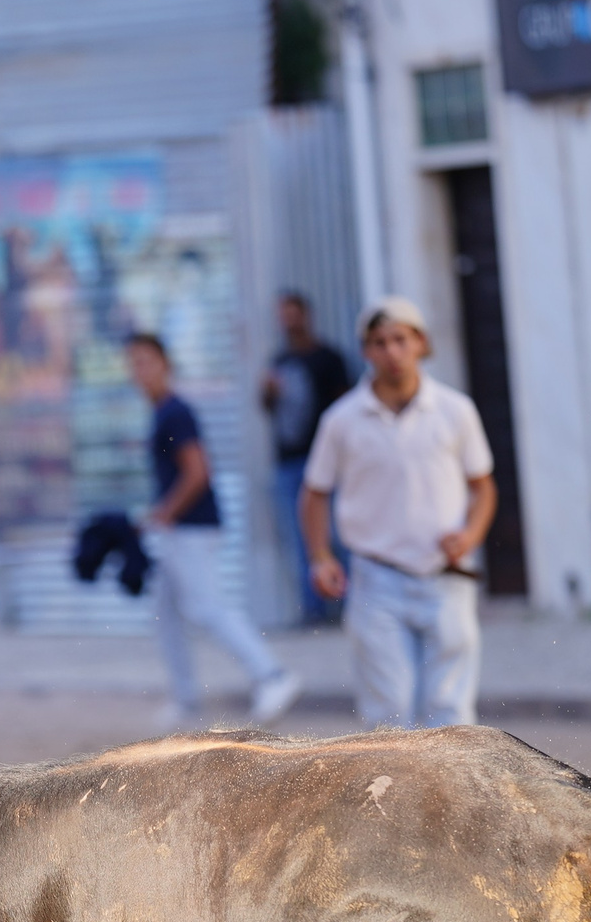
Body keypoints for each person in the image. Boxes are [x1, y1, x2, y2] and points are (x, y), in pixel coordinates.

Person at [300, 297, 498, 730]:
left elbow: (483, 488)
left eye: (400, 340)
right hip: (377, 577)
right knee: (386, 713)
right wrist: (320, 555)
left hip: (445, 574)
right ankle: (392, 798)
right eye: (379, 342)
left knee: (451, 712)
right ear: (365, 351)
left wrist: (469, 536)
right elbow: (314, 492)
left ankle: (449, 800)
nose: (392, 352)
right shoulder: (343, 420)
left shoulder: (454, 410)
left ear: (421, 344)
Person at [125, 332, 301, 730]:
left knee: (208, 607)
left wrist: (166, 513)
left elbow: (198, 471)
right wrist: (157, 515)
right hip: (177, 529)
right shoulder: (161, 412)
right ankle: (185, 698)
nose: (139, 370)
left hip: (192, 528)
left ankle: (272, 675)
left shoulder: (176, 412)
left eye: (146, 361)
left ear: (165, 364)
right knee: (166, 613)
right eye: (133, 362)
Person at [259, 290, 355, 624]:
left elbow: (346, 409)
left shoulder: (329, 358)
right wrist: (267, 392)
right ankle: (314, 611)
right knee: (303, 540)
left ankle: (349, 604)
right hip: (290, 462)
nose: (287, 321)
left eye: (292, 313)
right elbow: (267, 410)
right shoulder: (279, 361)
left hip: (326, 462)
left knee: (339, 536)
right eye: (281, 314)